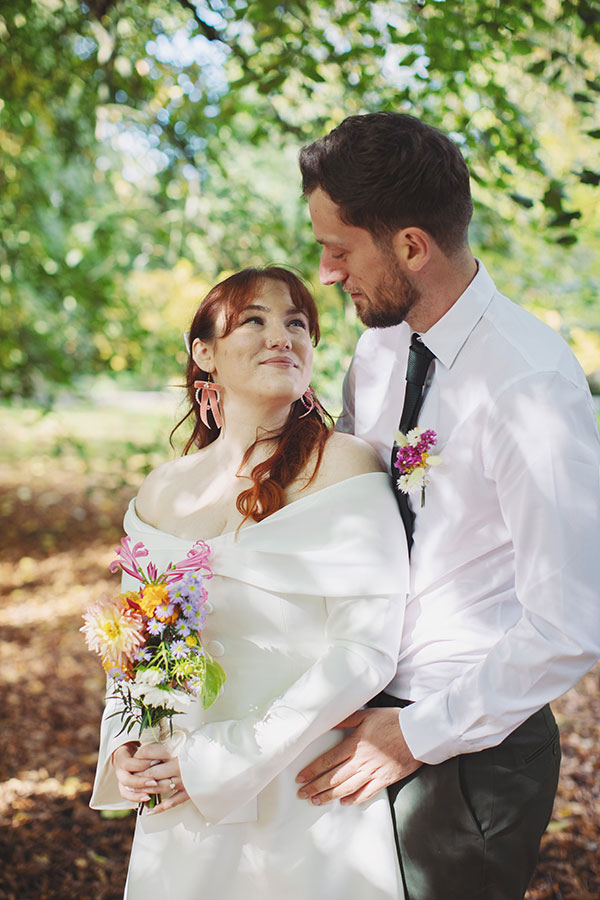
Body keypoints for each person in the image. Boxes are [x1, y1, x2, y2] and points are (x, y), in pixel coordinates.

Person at [295, 112, 600, 900]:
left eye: (339, 250)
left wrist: (413, 735)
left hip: (469, 759)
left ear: (410, 247)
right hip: (358, 715)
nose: (325, 273)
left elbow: (569, 625)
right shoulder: (377, 350)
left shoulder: (529, 385)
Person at [90, 266, 409, 900]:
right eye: (254, 321)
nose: (281, 337)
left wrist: (222, 759)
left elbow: (365, 650)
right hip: (179, 796)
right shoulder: (163, 489)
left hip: (302, 787)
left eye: (297, 323)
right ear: (204, 352)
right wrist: (127, 743)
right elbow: (132, 645)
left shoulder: (346, 466)